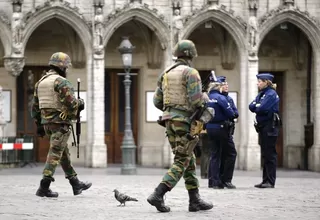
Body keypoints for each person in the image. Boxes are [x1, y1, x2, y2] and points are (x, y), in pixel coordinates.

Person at [147, 40, 213, 212]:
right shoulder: (191, 72)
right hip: (185, 122)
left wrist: (173, 109)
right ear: (191, 55)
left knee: (187, 157)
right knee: (182, 159)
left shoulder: (166, 73)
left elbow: (157, 101)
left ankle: (194, 199)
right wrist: (205, 97)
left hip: (169, 121)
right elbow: (196, 101)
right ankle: (158, 193)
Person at [31, 52, 92, 198]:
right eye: (66, 67)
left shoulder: (40, 82)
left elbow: (34, 107)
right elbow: (71, 104)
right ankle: (43, 187)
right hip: (60, 124)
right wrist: (81, 104)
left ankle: (76, 184)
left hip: (47, 124)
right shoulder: (61, 82)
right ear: (62, 67)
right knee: (54, 154)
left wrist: (39, 125)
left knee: (62, 153)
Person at [249, 73, 281, 188]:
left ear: (266, 82)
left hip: (270, 126)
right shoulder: (262, 94)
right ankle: (265, 180)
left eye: (259, 81)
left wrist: (258, 106)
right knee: (265, 154)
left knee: (270, 154)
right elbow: (251, 106)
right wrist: (257, 105)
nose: (258, 83)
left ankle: (270, 181)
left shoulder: (271, 94)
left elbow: (261, 108)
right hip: (263, 127)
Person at [206, 75, 237, 189]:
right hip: (221, 128)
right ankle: (224, 180)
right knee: (230, 153)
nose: (225, 86)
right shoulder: (221, 98)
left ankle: (213, 181)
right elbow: (232, 114)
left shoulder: (207, 97)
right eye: (223, 85)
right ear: (218, 87)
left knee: (214, 155)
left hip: (210, 127)